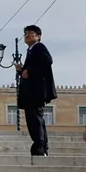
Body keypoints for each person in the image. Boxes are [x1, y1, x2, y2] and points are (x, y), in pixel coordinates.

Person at [15, 25, 57, 156]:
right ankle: (42, 146)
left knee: (34, 119)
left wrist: (29, 69)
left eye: (30, 33)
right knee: (36, 118)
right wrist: (22, 70)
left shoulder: (39, 47)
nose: (27, 35)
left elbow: (48, 60)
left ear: (38, 36)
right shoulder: (31, 51)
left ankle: (39, 146)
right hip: (32, 92)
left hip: (35, 92)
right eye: (26, 33)